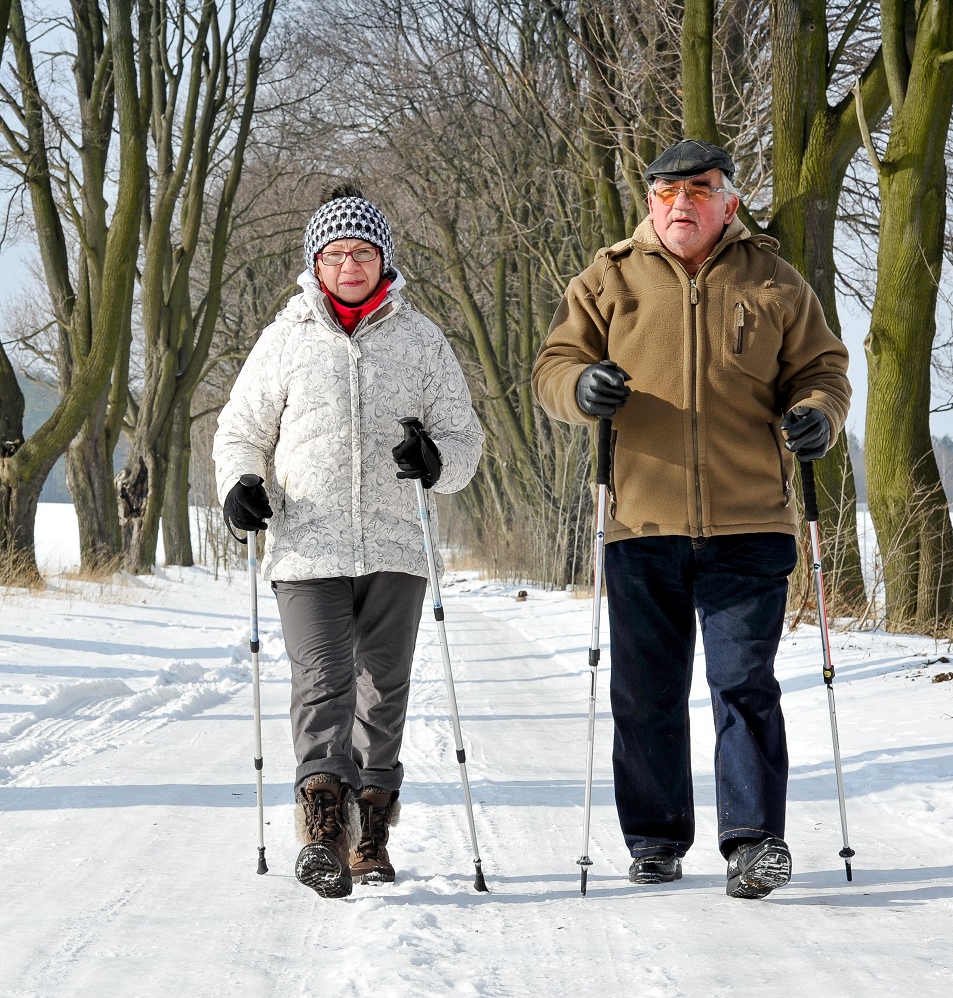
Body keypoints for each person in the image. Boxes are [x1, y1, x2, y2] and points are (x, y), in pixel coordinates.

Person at [531, 139, 850, 900]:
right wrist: (582, 387)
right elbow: (552, 366)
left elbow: (823, 372)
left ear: (729, 201)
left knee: (744, 683)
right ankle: (654, 838)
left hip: (751, 522)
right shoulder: (608, 279)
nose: (682, 203)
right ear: (650, 204)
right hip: (641, 522)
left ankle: (754, 843)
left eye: (700, 190)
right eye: (668, 192)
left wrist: (817, 417)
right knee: (647, 691)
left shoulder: (774, 279)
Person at [213, 185, 483, 899]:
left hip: (397, 544)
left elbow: (465, 441)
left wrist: (437, 461)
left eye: (362, 251)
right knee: (323, 681)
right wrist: (239, 483)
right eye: (335, 254)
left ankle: (371, 834)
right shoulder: (285, 339)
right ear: (316, 264)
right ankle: (324, 835)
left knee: (382, 689)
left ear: (383, 258)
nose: (349, 264)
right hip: (306, 546)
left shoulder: (421, 339)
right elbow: (240, 428)